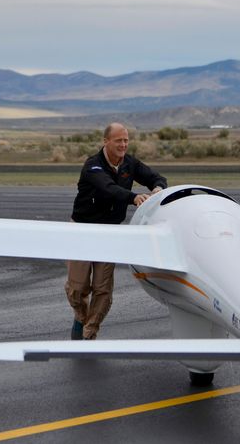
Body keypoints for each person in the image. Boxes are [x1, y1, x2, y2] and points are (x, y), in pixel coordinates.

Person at [66, 122, 167, 340]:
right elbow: (108, 188)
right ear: (106, 142)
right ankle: (80, 317)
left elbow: (156, 177)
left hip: (110, 232)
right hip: (82, 230)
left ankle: (88, 333)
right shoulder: (92, 166)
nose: (123, 145)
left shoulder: (130, 163)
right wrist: (133, 197)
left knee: (103, 289)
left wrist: (158, 188)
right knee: (77, 288)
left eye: (126, 140)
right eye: (118, 140)